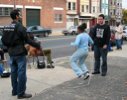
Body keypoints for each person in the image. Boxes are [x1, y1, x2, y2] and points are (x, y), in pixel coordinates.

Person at [3, 9, 41, 99]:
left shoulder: (7, 27)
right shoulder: (20, 27)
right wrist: (37, 45)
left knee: (14, 72)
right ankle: (21, 93)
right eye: (19, 15)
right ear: (16, 16)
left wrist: (10, 46)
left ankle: (14, 91)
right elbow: (28, 40)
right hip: (20, 53)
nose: (20, 16)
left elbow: (3, 40)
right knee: (21, 73)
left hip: (11, 53)